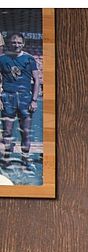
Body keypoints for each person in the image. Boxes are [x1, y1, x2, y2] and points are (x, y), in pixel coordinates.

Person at [0, 33, 40, 172]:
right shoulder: (2, 59)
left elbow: (36, 80)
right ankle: (6, 159)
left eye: (19, 42)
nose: (16, 45)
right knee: (7, 132)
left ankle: (25, 160)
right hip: (8, 97)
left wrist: (34, 100)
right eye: (13, 42)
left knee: (26, 132)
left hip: (25, 98)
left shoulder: (29, 59)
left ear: (23, 44)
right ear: (9, 43)